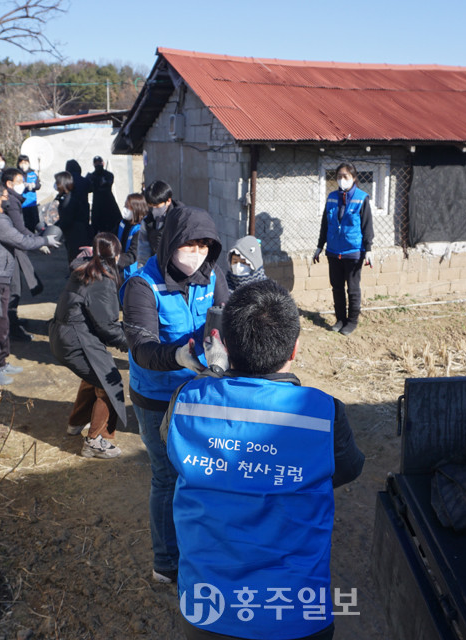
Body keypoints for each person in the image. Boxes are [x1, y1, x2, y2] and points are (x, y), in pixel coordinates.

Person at [166, 279, 365, 639]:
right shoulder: (324, 412)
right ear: (295, 348)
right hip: (296, 616)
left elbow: (172, 444)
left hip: (207, 612)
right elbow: (348, 468)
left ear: (225, 346)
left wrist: (214, 373)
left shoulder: (187, 400)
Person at [121, 205, 229, 583]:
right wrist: (178, 356)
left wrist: (223, 349)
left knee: (199, 471)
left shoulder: (212, 276)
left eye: (204, 246)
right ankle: (166, 561)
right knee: (167, 477)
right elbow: (142, 348)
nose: (196, 254)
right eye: (189, 245)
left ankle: (199, 542)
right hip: (157, 395)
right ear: (170, 243)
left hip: (200, 390)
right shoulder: (142, 285)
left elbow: (226, 316)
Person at [49, 233, 129, 459]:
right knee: (110, 382)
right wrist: (132, 344)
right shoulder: (101, 278)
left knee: (94, 375)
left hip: (63, 335)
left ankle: (76, 423)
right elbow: (107, 326)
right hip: (76, 340)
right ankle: (94, 441)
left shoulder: (84, 268)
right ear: (115, 255)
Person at [0, 181, 60, 385]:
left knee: (2, 322)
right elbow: (21, 240)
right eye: (5, 196)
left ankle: (1, 363)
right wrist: (44, 241)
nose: (8, 200)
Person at [312, 163, 373, 336]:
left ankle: (352, 322)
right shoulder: (332, 197)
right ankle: (340, 319)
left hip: (353, 252)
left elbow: (367, 226)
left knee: (352, 289)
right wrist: (319, 246)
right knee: (337, 287)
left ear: (353, 178)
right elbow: (325, 224)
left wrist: (368, 249)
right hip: (333, 251)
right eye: (339, 176)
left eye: (345, 176)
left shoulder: (361, 198)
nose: (341, 179)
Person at [1, 167, 44, 342]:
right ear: (9, 184)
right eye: (19, 181)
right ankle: (12, 328)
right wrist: (39, 241)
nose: (23, 184)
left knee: (14, 287)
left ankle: (13, 320)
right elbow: (20, 228)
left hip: (13, 247)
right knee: (14, 289)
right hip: (10, 250)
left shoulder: (12, 199)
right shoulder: (11, 202)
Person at [137, 180, 184, 267]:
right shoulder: (148, 221)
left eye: (157, 206)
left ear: (168, 201)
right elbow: (143, 248)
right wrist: (142, 269)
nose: (154, 209)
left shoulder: (180, 218)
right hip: (156, 266)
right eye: (151, 206)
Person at [54, 170, 94, 271]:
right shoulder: (65, 197)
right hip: (72, 234)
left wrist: (55, 229)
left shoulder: (70, 200)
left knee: (77, 260)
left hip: (77, 234)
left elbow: (66, 220)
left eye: (57, 182)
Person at [87, 156, 122, 235]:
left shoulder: (108, 175)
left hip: (109, 204)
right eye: (96, 163)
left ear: (103, 163)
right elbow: (89, 188)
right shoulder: (92, 176)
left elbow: (107, 182)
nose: (98, 165)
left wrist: (99, 182)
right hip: (97, 206)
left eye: (99, 163)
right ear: (93, 164)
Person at [117, 193, 147, 282]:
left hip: (131, 274)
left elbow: (132, 256)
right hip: (120, 268)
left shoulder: (139, 231)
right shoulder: (123, 223)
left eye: (127, 207)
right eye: (125, 206)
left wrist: (115, 259)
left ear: (136, 209)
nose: (124, 209)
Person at [18, 155, 41, 232]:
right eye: (21, 162)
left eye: (25, 162)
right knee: (25, 225)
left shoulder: (33, 173)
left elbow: (38, 185)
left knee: (35, 224)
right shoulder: (17, 174)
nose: (23, 165)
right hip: (21, 204)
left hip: (32, 202)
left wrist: (33, 185)